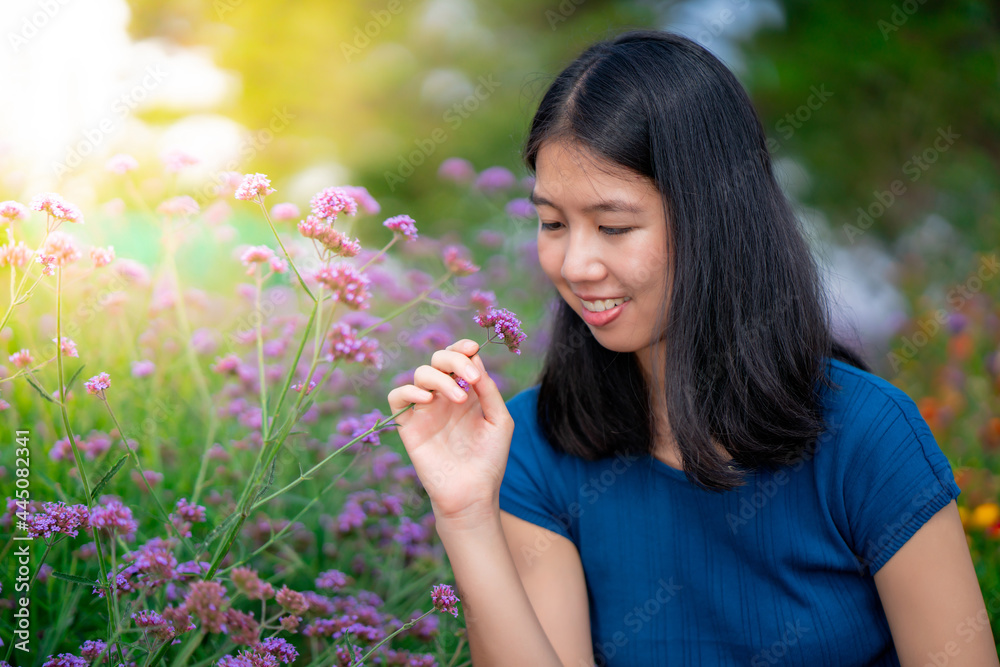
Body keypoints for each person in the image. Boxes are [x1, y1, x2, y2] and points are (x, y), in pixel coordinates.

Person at [387, 30, 999, 667]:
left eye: (614, 226)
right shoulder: (539, 449)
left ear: (715, 216)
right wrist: (464, 515)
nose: (575, 264)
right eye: (552, 223)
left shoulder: (868, 436)